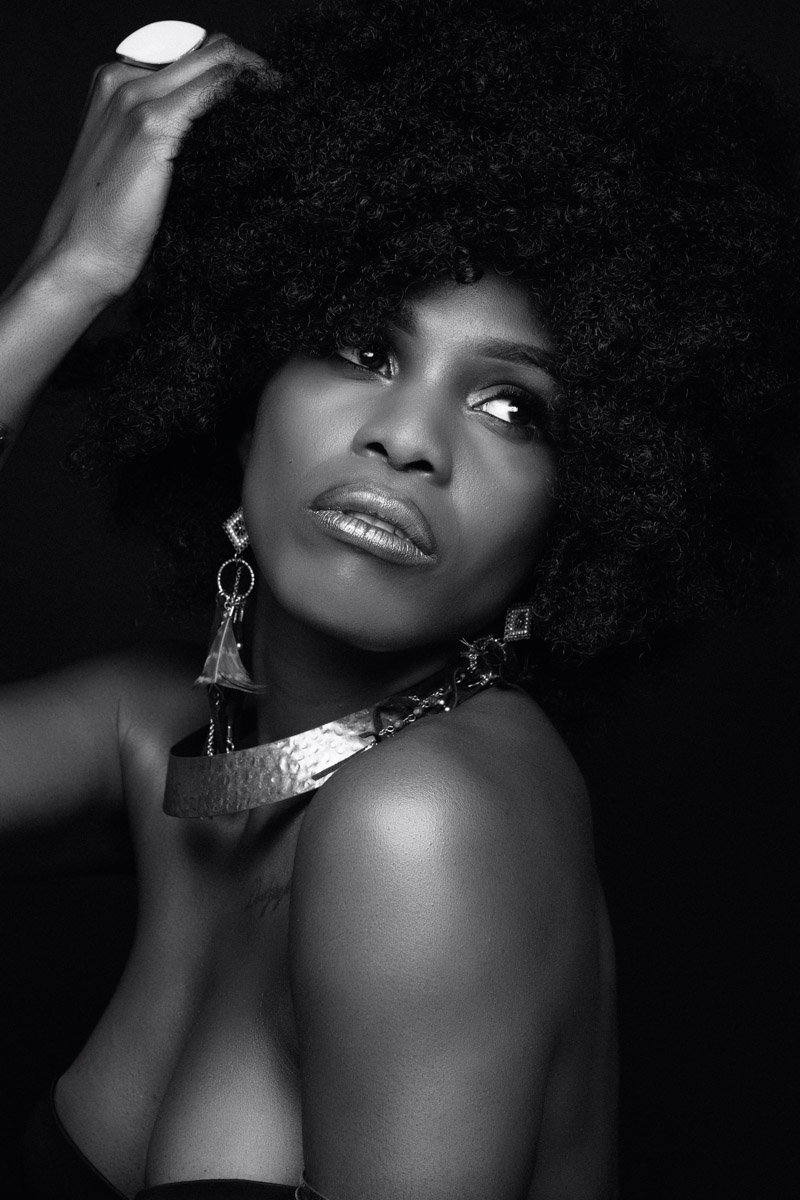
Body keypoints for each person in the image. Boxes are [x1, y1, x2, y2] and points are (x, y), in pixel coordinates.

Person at [1, 1, 797, 1197]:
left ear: (583, 512)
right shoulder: (163, 742)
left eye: (510, 408)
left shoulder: (426, 820)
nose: (408, 438)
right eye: (363, 347)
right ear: (239, 395)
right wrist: (68, 279)